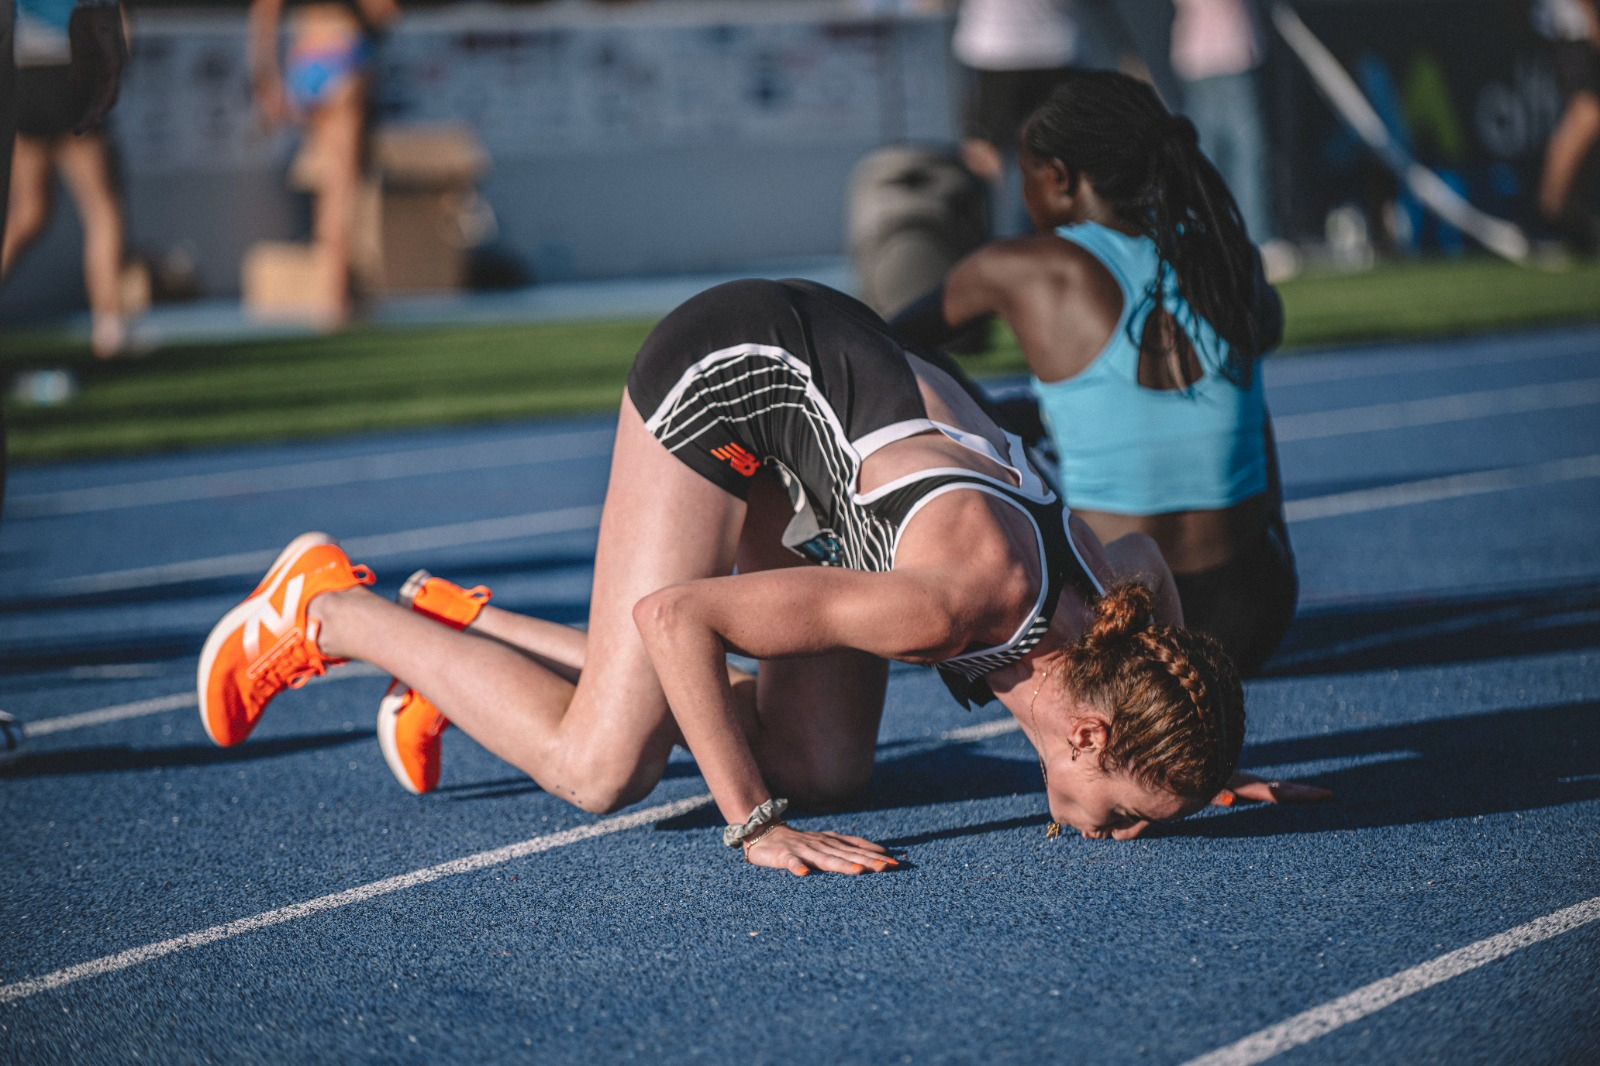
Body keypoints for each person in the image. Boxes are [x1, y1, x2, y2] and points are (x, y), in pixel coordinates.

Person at [199, 278, 1325, 876]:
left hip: (839, 404)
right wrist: (754, 824)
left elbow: (1147, 574)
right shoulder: (949, 602)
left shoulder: (1105, 615)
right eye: (1128, 815)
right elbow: (676, 618)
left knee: (826, 764)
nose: (1119, 832)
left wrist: (1194, 757)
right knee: (605, 763)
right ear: (1087, 738)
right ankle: (330, 610)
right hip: (733, 378)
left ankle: (460, 649)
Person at [892, 70, 1296, 678]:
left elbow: (880, 345)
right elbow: (1252, 341)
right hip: (1251, 614)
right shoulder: (1224, 254)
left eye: (1024, 174)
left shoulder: (1023, 265)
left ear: (1058, 178)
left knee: (929, 412)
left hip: (1113, 623)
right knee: (1241, 394)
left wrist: (981, 422)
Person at [246, 0, 398, 325]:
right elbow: (384, 11)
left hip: (305, 56)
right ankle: (336, 296)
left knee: (327, 184)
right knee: (342, 189)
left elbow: (264, 12)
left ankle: (336, 289)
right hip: (343, 55)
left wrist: (267, 80)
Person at [1, 0, 130, 357]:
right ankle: (109, 329)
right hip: (72, 72)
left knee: (27, 214)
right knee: (102, 208)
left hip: (27, 77)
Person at [1534, 0, 1600, 253]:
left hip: (1573, 28)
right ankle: (1550, 214)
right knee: (1586, 113)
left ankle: (1576, 223)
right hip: (1573, 30)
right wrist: (1591, 17)